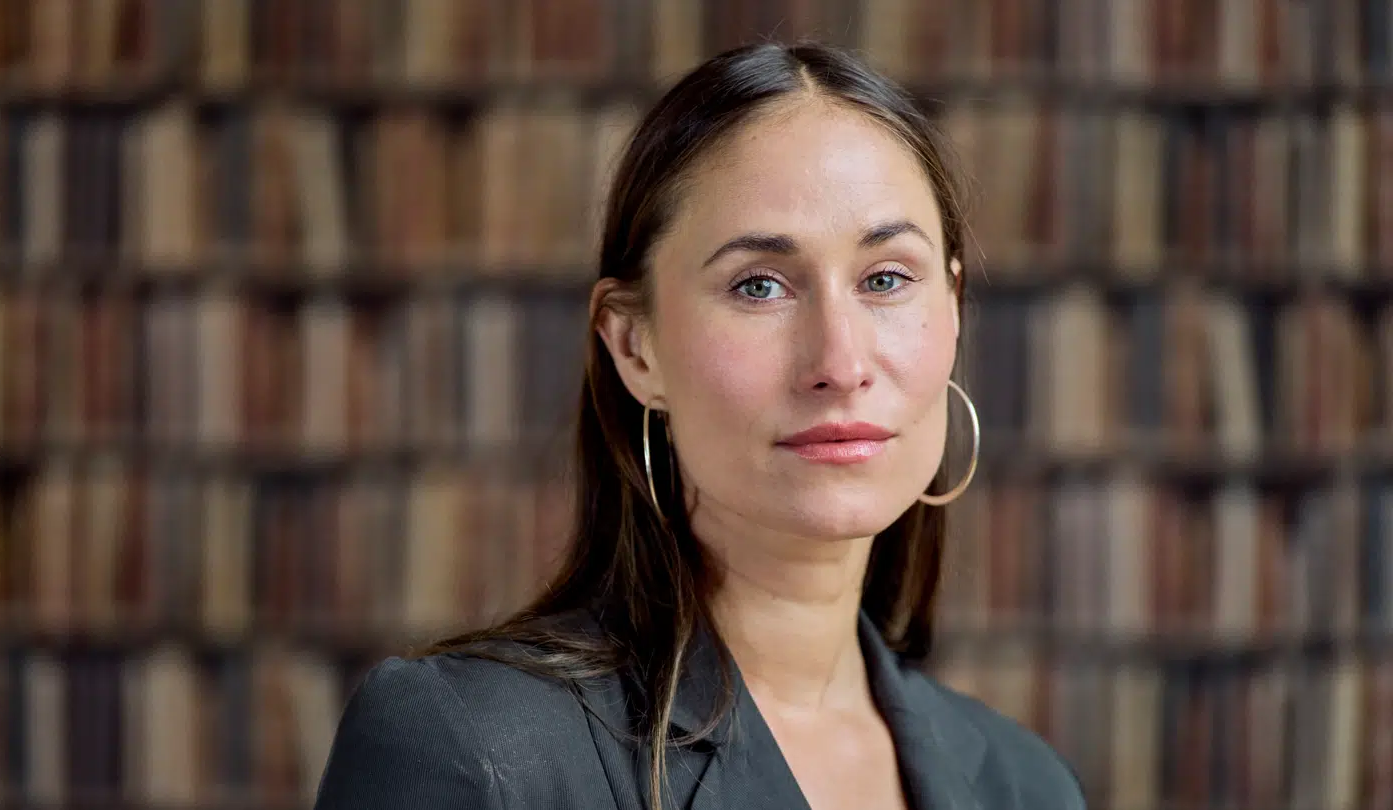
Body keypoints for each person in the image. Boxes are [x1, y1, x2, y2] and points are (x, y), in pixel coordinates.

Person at [313, 41, 1086, 810]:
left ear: (952, 307)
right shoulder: (470, 749)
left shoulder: (1027, 786)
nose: (840, 360)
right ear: (634, 346)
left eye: (886, 279)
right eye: (759, 286)